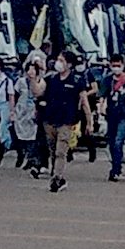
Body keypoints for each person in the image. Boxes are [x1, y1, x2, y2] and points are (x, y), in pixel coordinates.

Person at [36, 50, 90, 193]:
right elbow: (38, 92)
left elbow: (84, 102)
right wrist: (32, 78)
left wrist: (89, 122)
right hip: (49, 120)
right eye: (58, 60)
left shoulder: (77, 81)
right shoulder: (50, 79)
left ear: (69, 64)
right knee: (53, 151)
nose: (58, 63)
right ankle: (58, 175)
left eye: (62, 61)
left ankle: (56, 179)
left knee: (61, 151)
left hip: (66, 121)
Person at [99, 54, 125, 182]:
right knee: (112, 142)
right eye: (114, 66)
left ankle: (116, 169)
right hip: (111, 114)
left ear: (123, 66)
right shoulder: (107, 80)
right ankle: (115, 166)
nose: (116, 68)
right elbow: (102, 96)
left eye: (118, 65)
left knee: (118, 141)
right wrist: (101, 107)